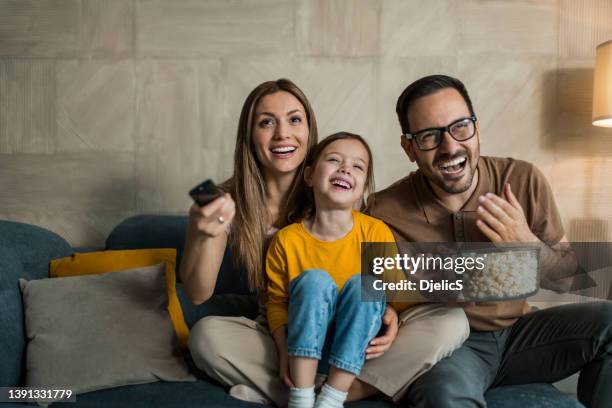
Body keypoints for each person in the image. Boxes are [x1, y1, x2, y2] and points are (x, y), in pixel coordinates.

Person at [366, 74, 612, 408]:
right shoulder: (381, 211)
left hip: (522, 334)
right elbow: (375, 289)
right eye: (429, 136)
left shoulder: (522, 179)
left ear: (477, 128)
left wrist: (528, 246)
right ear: (409, 147)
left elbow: (571, 274)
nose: (450, 146)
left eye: (460, 127)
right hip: (454, 346)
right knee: (442, 395)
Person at [182, 79, 403, 406]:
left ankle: (317, 393)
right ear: (250, 136)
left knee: (445, 325)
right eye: (266, 122)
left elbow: (384, 282)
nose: (282, 133)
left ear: (309, 130)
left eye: (294, 119)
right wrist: (203, 232)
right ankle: (323, 392)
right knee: (205, 336)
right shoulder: (224, 202)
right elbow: (198, 293)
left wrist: (393, 313)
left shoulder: (334, 187)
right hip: (282, 331)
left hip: (352, 328)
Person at [266, 132, 419, 408]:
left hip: (356, 353)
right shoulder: (287, 240)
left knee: (369, 285)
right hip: (302, 350)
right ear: (310, 175)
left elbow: (398, 292)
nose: (346, 169)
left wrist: (393, 313)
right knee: (314, 281)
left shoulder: (374, 232)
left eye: (358, 166)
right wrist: (282, 354)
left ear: (363, 188)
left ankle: (331, 398)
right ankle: (300, 398)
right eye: (334, 160)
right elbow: (276, 305)